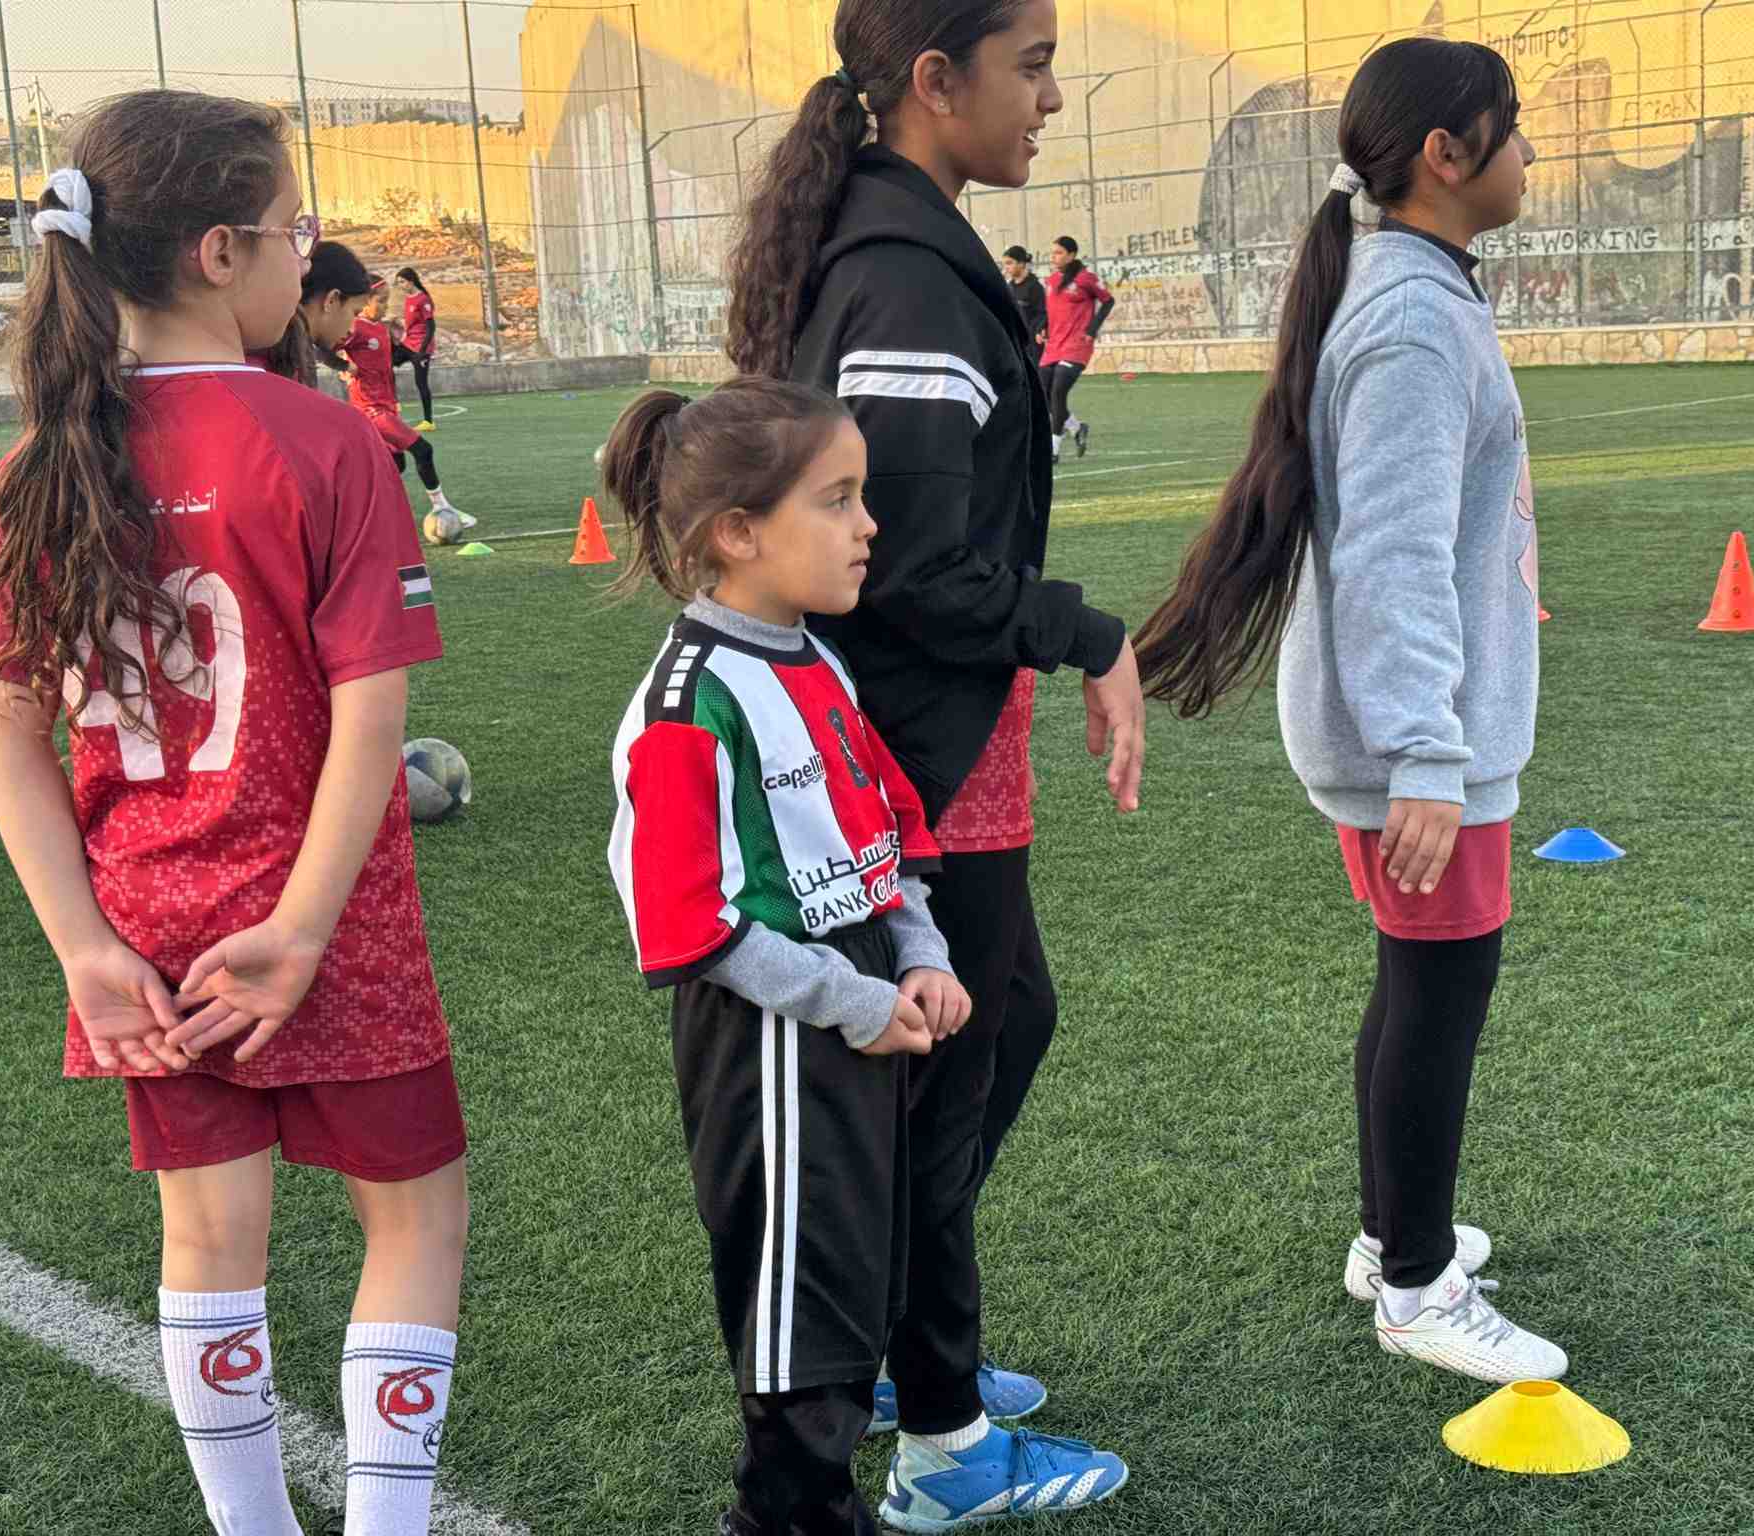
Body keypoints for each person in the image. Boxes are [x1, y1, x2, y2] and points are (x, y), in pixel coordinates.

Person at [0, 90, 469, 1534]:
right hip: (330, 925)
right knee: (416, 1216)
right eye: (292, 228)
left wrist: (80, 947)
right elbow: (373, 711)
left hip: (143, 926)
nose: (301, 256)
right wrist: (306, 929)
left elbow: (7, 728)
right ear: (217, 248)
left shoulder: (43, 460)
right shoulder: (322, 442)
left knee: (208, 1237)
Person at [723, 0, 1142, 1527]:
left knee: (1004, 1022)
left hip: (937, 735)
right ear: (933, 80)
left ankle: (912, 1349)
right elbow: (890, 564)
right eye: (1030, 68)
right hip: (905, 748)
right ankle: (946, 1446)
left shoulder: (914, 243)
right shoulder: (901, 274)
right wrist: (1087, 634)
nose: (1050, 98)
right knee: (945, 1068)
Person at [1134, 37, 1566, 1385]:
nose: (1529, 155)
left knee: (1418, 977)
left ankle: (1395, 1240)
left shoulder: (1408, 289)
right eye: (1513, 130)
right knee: (1443, 985)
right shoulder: (1412, 318)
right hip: (1413, 744)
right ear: (1448, 156)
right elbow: (1390, 549)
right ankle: (1419, 1285)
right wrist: (1429, 752)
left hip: (1407, 733)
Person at [601, 376, 974, 1536]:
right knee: (797, 1308)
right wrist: (845, 998)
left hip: (855, 1000)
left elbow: (884, 829)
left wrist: (914, 951)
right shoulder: (687, 702)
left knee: (856, 1278)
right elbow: (683, 923)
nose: (869, 526)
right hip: (772, 1031)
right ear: (738, 532)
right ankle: (791, 1516)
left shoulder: (813, 657)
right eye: (839, 500)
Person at [299, 243, 472, 542]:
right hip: (370, 410)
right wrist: (343, 365)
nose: (384, 307)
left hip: (387, 406)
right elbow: (318, 348)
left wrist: (414, 355)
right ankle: (441, 505)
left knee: (395, 464)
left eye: (387, 301)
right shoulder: (356, 328)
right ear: (365, 303)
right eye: (380, 301)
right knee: (423, 450)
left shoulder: (381, 329)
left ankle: (372, 517)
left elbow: (390, 357)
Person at [1038, 236, 1113, 463]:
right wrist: (1043, 327)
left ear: (1071, 255)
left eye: (1059, 252)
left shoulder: (1085, 278)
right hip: (1054, 345)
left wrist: (1092, 329)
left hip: (1076, 346)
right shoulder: (1050, 281)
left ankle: (1053, 449)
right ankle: (1077, 428)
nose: (1054, 257)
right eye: (1053, 253)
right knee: (1044, 394)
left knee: (1058, 391)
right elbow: (1051, 312)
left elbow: (1108, 301)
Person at [392, 266, 438, 431]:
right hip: (409, 343)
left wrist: (422, 352)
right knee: (385, 362)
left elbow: (431, 327)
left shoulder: (423, 299)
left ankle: (428, 422)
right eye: (398, 283)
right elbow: (412, 324)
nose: (401, 285)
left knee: (421, 383)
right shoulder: (409, 298)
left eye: (402, 282)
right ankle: (393, 402)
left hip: (421, 348)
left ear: (411, 281)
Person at [1001, 245, 1046, 365]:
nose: (1006, 267)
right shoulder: (1009, 287)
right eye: (1005, 264)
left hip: (1032, 342)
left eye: (1010, 263)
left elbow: (1042, 312)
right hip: (1015, 340)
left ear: (1021, 264)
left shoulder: (1035, 287)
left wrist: (1039, 330)